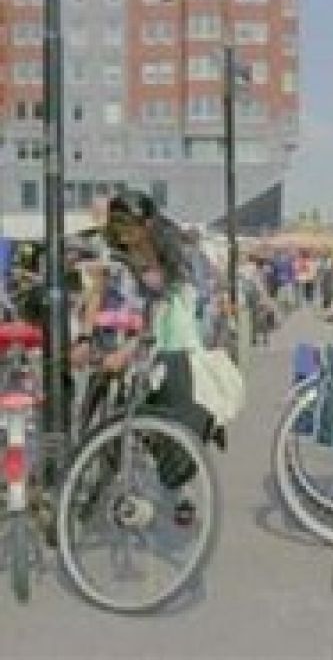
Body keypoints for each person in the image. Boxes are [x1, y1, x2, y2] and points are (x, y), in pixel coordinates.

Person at [77, 191, 225, 525]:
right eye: (117, 226)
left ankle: (179, 488)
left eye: (129, 226)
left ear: (147, 225)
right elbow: (97, 291)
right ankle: (86, 488)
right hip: (118, 337)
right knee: (95, 416)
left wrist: (128, 351)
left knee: (160, 418)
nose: (123, 233)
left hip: (161, 343)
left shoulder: (168, 254)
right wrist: (85, 337)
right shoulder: (112, 249)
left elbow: (165, 313)